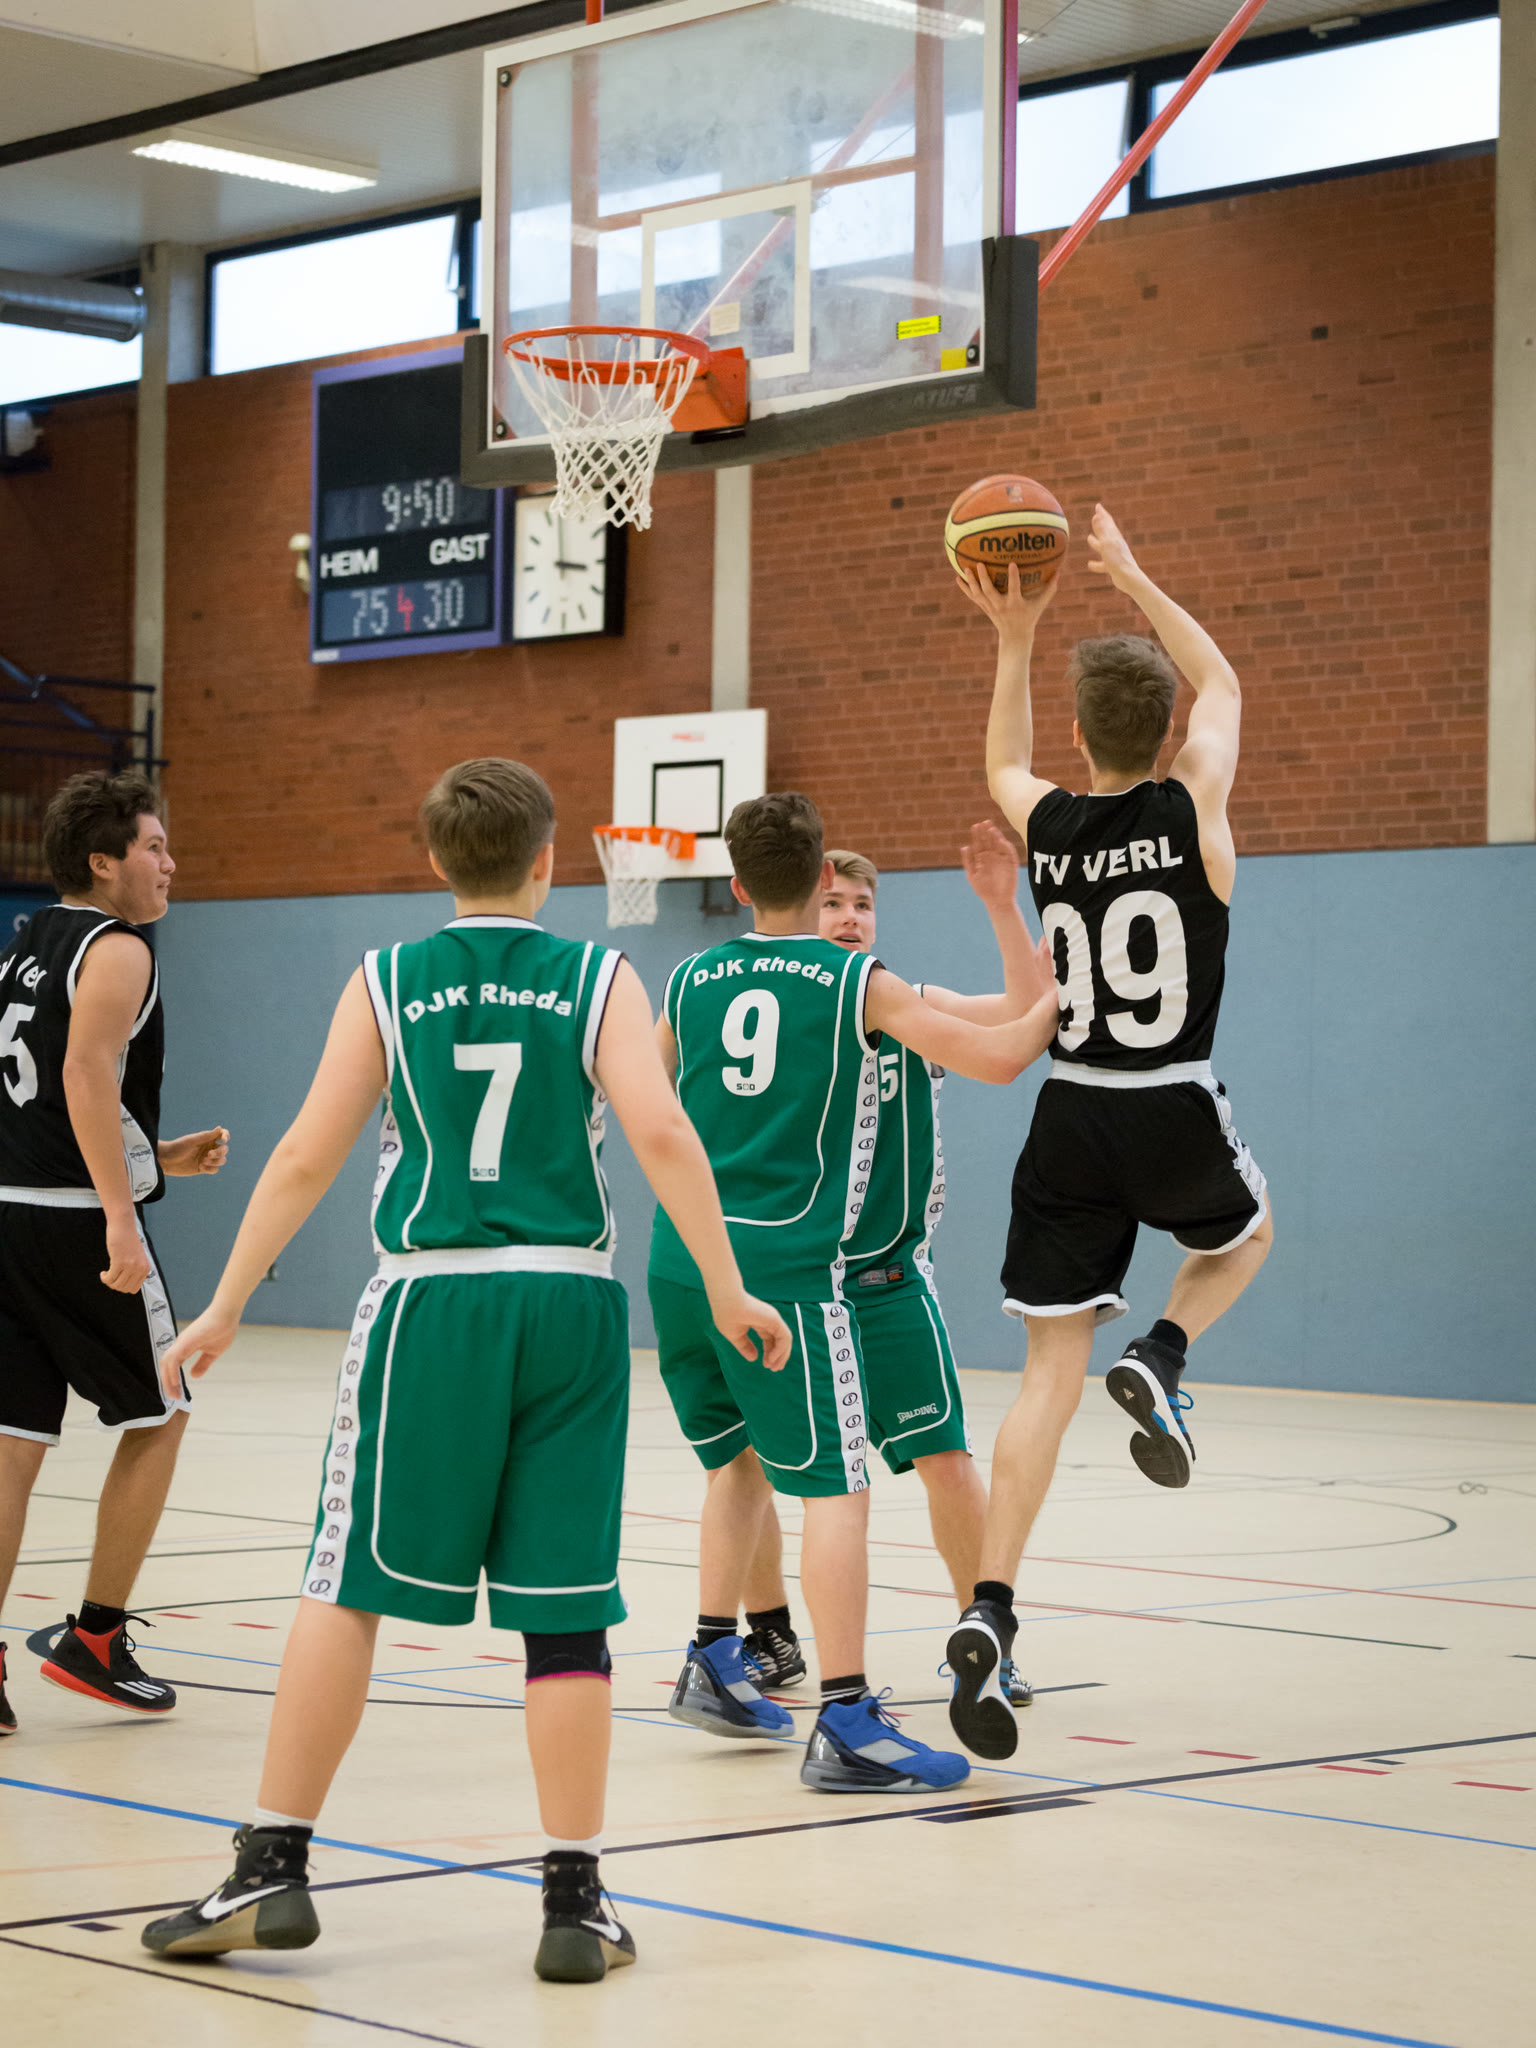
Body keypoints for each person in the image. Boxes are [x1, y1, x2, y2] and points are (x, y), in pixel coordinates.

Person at [138, 759, 788, 1982]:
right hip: (571, 1303)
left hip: (430, 1303)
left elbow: (305, 1152)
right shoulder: (600, 974)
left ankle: (273, 1861)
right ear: (547, 860)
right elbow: (662, 1130)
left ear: (436, 861)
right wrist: (725, 1282)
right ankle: (574, 1897)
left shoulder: (385, 977)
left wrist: (226, 1300)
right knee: (566, 1608)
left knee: (347, 1585)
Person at [649, 791, 1059, 1793]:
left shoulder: (693, 976)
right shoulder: (856, 989)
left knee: (746, 1464)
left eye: (863, 905)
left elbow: (646, 1099)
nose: (847, 914)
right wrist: (1080, 989)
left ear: (735, 882)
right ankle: (843, 1711)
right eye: (836, 898)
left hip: (698, 1259)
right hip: (799, 1274)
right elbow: (1009, 1051)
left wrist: (1003, 911)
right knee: (834, 1488)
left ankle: (720, 1652)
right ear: (818, 878)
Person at [946, 506, 1272, 1762]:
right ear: (1168, 732)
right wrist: (1132, 576)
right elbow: (1223, 679)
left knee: (1044, 1374)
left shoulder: (1052, 826)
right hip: (1169, 1091)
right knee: (1247, 1236)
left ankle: (990, 1606)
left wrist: (1015, 632)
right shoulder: (1196, 806)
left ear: (1080, 738)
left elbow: (1001, 759)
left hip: (1071, 1109)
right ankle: (1167, 1354)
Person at [0, 770, 227, 1739]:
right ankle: (95, 1639)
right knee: (162, 1410)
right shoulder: (120, 946)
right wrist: (121, 1215)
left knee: (12, 1442)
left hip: (8, 1211)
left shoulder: (27, 946)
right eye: (154, 847)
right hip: (73, 1223)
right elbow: (85, 1070)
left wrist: (155, 1154)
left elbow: (38, 1097)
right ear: (104, 861)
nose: (170, 863)